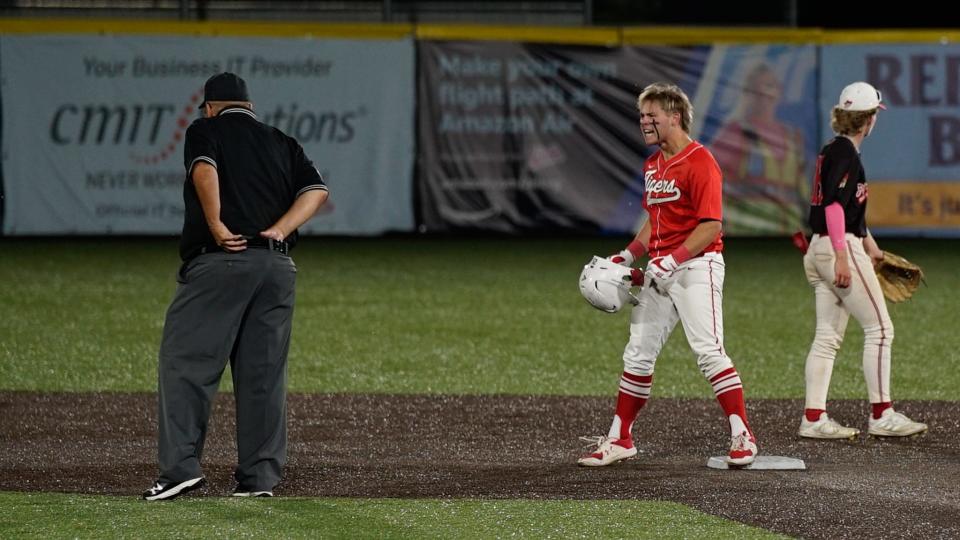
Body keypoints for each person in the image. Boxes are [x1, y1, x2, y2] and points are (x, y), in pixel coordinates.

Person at [142, 72, 329, 500]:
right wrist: (280, 229)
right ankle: (259, 479)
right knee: (263, 375)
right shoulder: (282, 141)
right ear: (248, 106)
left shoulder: (204, 130)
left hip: (222, 263)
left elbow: (204, 170)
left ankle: (179, 470)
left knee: (186, 364)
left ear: (210, 106)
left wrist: (215, 223)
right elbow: (316, 191)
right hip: (276, 268)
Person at [579, 82, 758, 467]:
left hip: (698, 264)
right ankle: (620, 438)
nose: (644, 122)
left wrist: (674, 259)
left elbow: (711, 226)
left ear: (674, 117)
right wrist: (630, 253)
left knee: (709, 352)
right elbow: (654, 220)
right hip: (662, 267)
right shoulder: (653, 164)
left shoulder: (700, 161)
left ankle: (742, 433)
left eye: (651, 115)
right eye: (642, 115)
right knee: (638, 354)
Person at [798, 81, 927, 440]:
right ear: (868, 119)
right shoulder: (846, 154)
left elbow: (850, 211)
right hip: (836, 248)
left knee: (827, 337)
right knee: (880, 329)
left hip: (821, 247)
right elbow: (836, 207)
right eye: (874, 116)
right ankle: (882, 414)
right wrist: (843, 255)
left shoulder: (834, 150)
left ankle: (813, 417)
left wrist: (872, 248)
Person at [710, 62, 808, 235]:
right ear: (748, 93)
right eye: (757, 88)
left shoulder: (793, 136)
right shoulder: (736, 132)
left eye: (770, 86)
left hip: (790, 234)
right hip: (746, 236)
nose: (764, 93)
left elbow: (803, 189)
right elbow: (711, 183)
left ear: (779, 92)